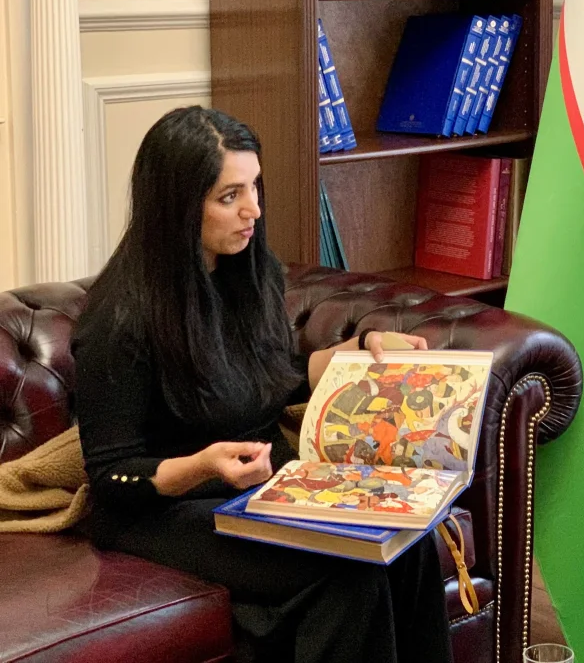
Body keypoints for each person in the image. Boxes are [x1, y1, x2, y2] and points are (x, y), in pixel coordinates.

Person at [74, 106, 453, 663]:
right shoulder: (118, 319)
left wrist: (362, 350)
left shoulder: (249, 271)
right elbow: (111, 478)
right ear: (178, 206)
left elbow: (274, 378)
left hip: (259, 481)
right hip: (161, 511)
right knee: (349, 570)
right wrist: (204, 465)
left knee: (406, 541)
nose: (252, 209)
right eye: (229, 196)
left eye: (254, 186)